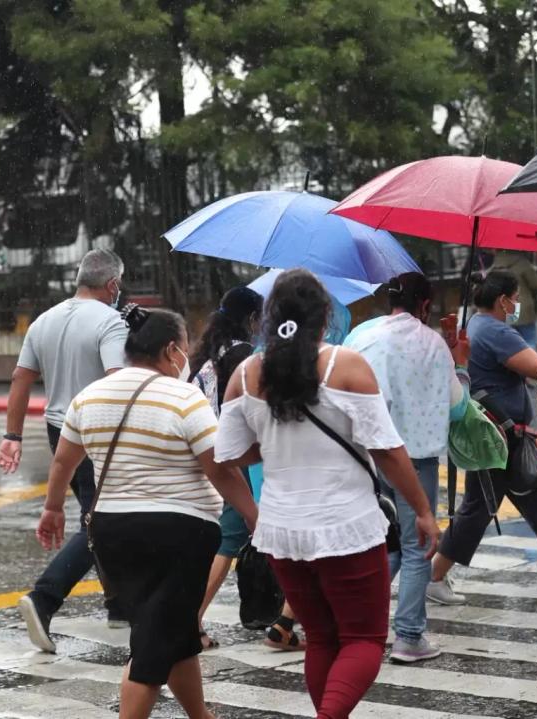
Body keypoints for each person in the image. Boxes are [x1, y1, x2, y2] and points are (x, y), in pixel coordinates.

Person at [214, 269, 440, 719]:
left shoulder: (245, 374)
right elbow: (389, 452)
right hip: (347, 527)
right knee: (364, 640)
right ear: (324, 318)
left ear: (270, 318)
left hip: (283, 532)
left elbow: (229, 458)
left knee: (322, 638)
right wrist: (422, 510)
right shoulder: (346, 365)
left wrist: (263, 486)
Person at [36, 304, 257, 719]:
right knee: (154, 644)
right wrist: (253, 516)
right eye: (186, 349)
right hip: (178, 534)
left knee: (172, 630)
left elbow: (64, 461)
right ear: (172, 351)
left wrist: (52, 508)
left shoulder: (91, 395)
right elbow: (221, 470)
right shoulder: (184, 396)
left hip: (112, 535)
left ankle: (201, 716)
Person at [428, 270, 537, 605]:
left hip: (500, 433)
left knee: (529, 491)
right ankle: (434, 575)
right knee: (479, 506)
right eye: (516, 299)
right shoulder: (493, 330)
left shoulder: (476, 325)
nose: (518, 305)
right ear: (503, 300)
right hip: (497, 434)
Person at [0, 248, 128, 651]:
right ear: (112, 285)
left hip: (59, 431)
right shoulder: (110, 321)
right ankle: (44, 597)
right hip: (98, 434)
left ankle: (120, 605)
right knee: (100, 520)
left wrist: (12, 436)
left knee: (99, 511)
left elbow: (21, 378)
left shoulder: (44, 320)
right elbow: (116, 380)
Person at [344, 272, 471, 664]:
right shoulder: (434, 344)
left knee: (383, 544)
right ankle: (409, 635)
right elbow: (459, 408)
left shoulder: (361, 336)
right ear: (426, 306)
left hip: (365, 456)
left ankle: (353, 621)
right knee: (418, 547)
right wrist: (459, 362)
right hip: (416, 461)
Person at [190, 286, 303, 652]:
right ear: (253, 319)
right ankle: (192, 620)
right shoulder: (243, 356)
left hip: (213, 455)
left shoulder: (206, 353)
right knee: (236, 538)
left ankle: (285, 620)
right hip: (239, 461)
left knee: (236, 537)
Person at [492, 250, 537, 348]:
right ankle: (529, 362)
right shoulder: (523, 264)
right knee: (529, 341)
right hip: (523, 309)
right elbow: (535, 284)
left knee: (510, 344)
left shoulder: (495, 266)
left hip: (504, 309)